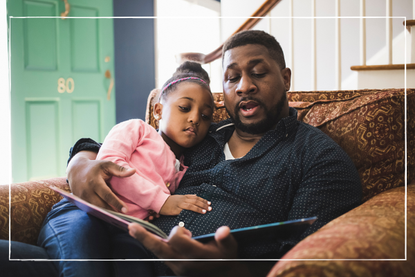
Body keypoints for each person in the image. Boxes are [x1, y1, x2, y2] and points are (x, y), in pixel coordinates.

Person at [1, 30, 362, 277]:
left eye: (258, 73)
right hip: (115, 243)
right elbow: (135, 144)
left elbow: (299, 254)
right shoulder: (205, 135)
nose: (244, 86)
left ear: (286, 78)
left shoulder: (317, 157)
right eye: (232, 77)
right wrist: (81, 162)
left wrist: (232, 271)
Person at [96, 61, 213, 220]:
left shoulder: (183, 169)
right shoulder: (137, 129)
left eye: (205, 115)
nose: (195, 119)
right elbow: (109, 166)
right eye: (184, 108)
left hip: (126, 228)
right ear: (158, 111)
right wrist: (161, 202)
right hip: (88, 214)